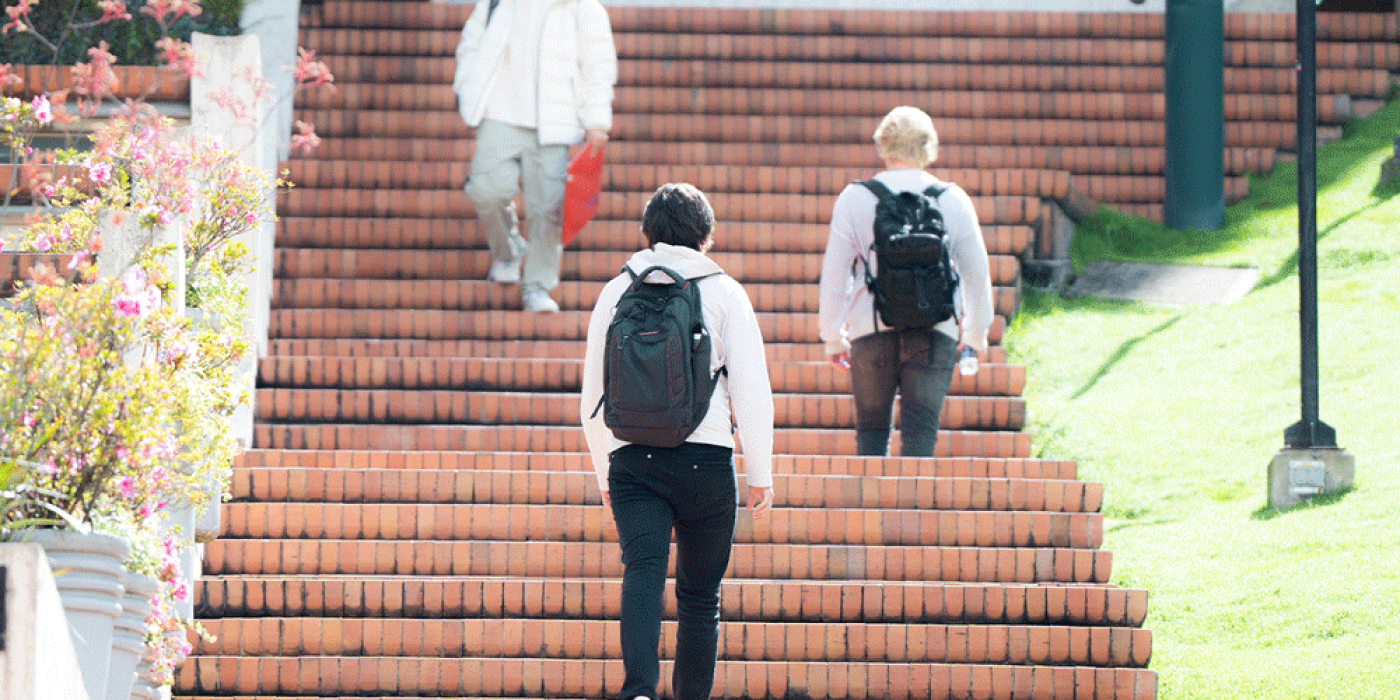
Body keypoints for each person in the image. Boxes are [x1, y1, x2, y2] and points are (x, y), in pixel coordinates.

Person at [580, 183, 776, 700]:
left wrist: (606, 474)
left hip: (632, 461)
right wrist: (760, 476)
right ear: (705, 235)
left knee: (642, 570)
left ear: (649, 232)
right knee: (699, 597)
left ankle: (640, 689)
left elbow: (592, 398)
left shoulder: (617, 290)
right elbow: (752, 392)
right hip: (706, 461)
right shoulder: (726, 292)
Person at [818, 105, 995, 457]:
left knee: (870, 435)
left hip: (870, 331)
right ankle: (914, 512)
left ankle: (870, 511)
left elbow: (836, 276)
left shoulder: (856, 197)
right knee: (921, 438)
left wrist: (832, 337)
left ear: (882, 144)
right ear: (929, 146)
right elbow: (976, 273)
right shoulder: (953, 199)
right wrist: (975, 334)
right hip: (936, 329)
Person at [453, 0, 617, 313]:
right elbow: (471, 43)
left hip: (553, 121)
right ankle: (509, 251)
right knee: (485, 189)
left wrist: (596, 121)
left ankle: (538, 287)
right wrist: (467, 89)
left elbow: (598, 63)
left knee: (548, 209)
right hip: (498, 113)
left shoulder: (582, 6)